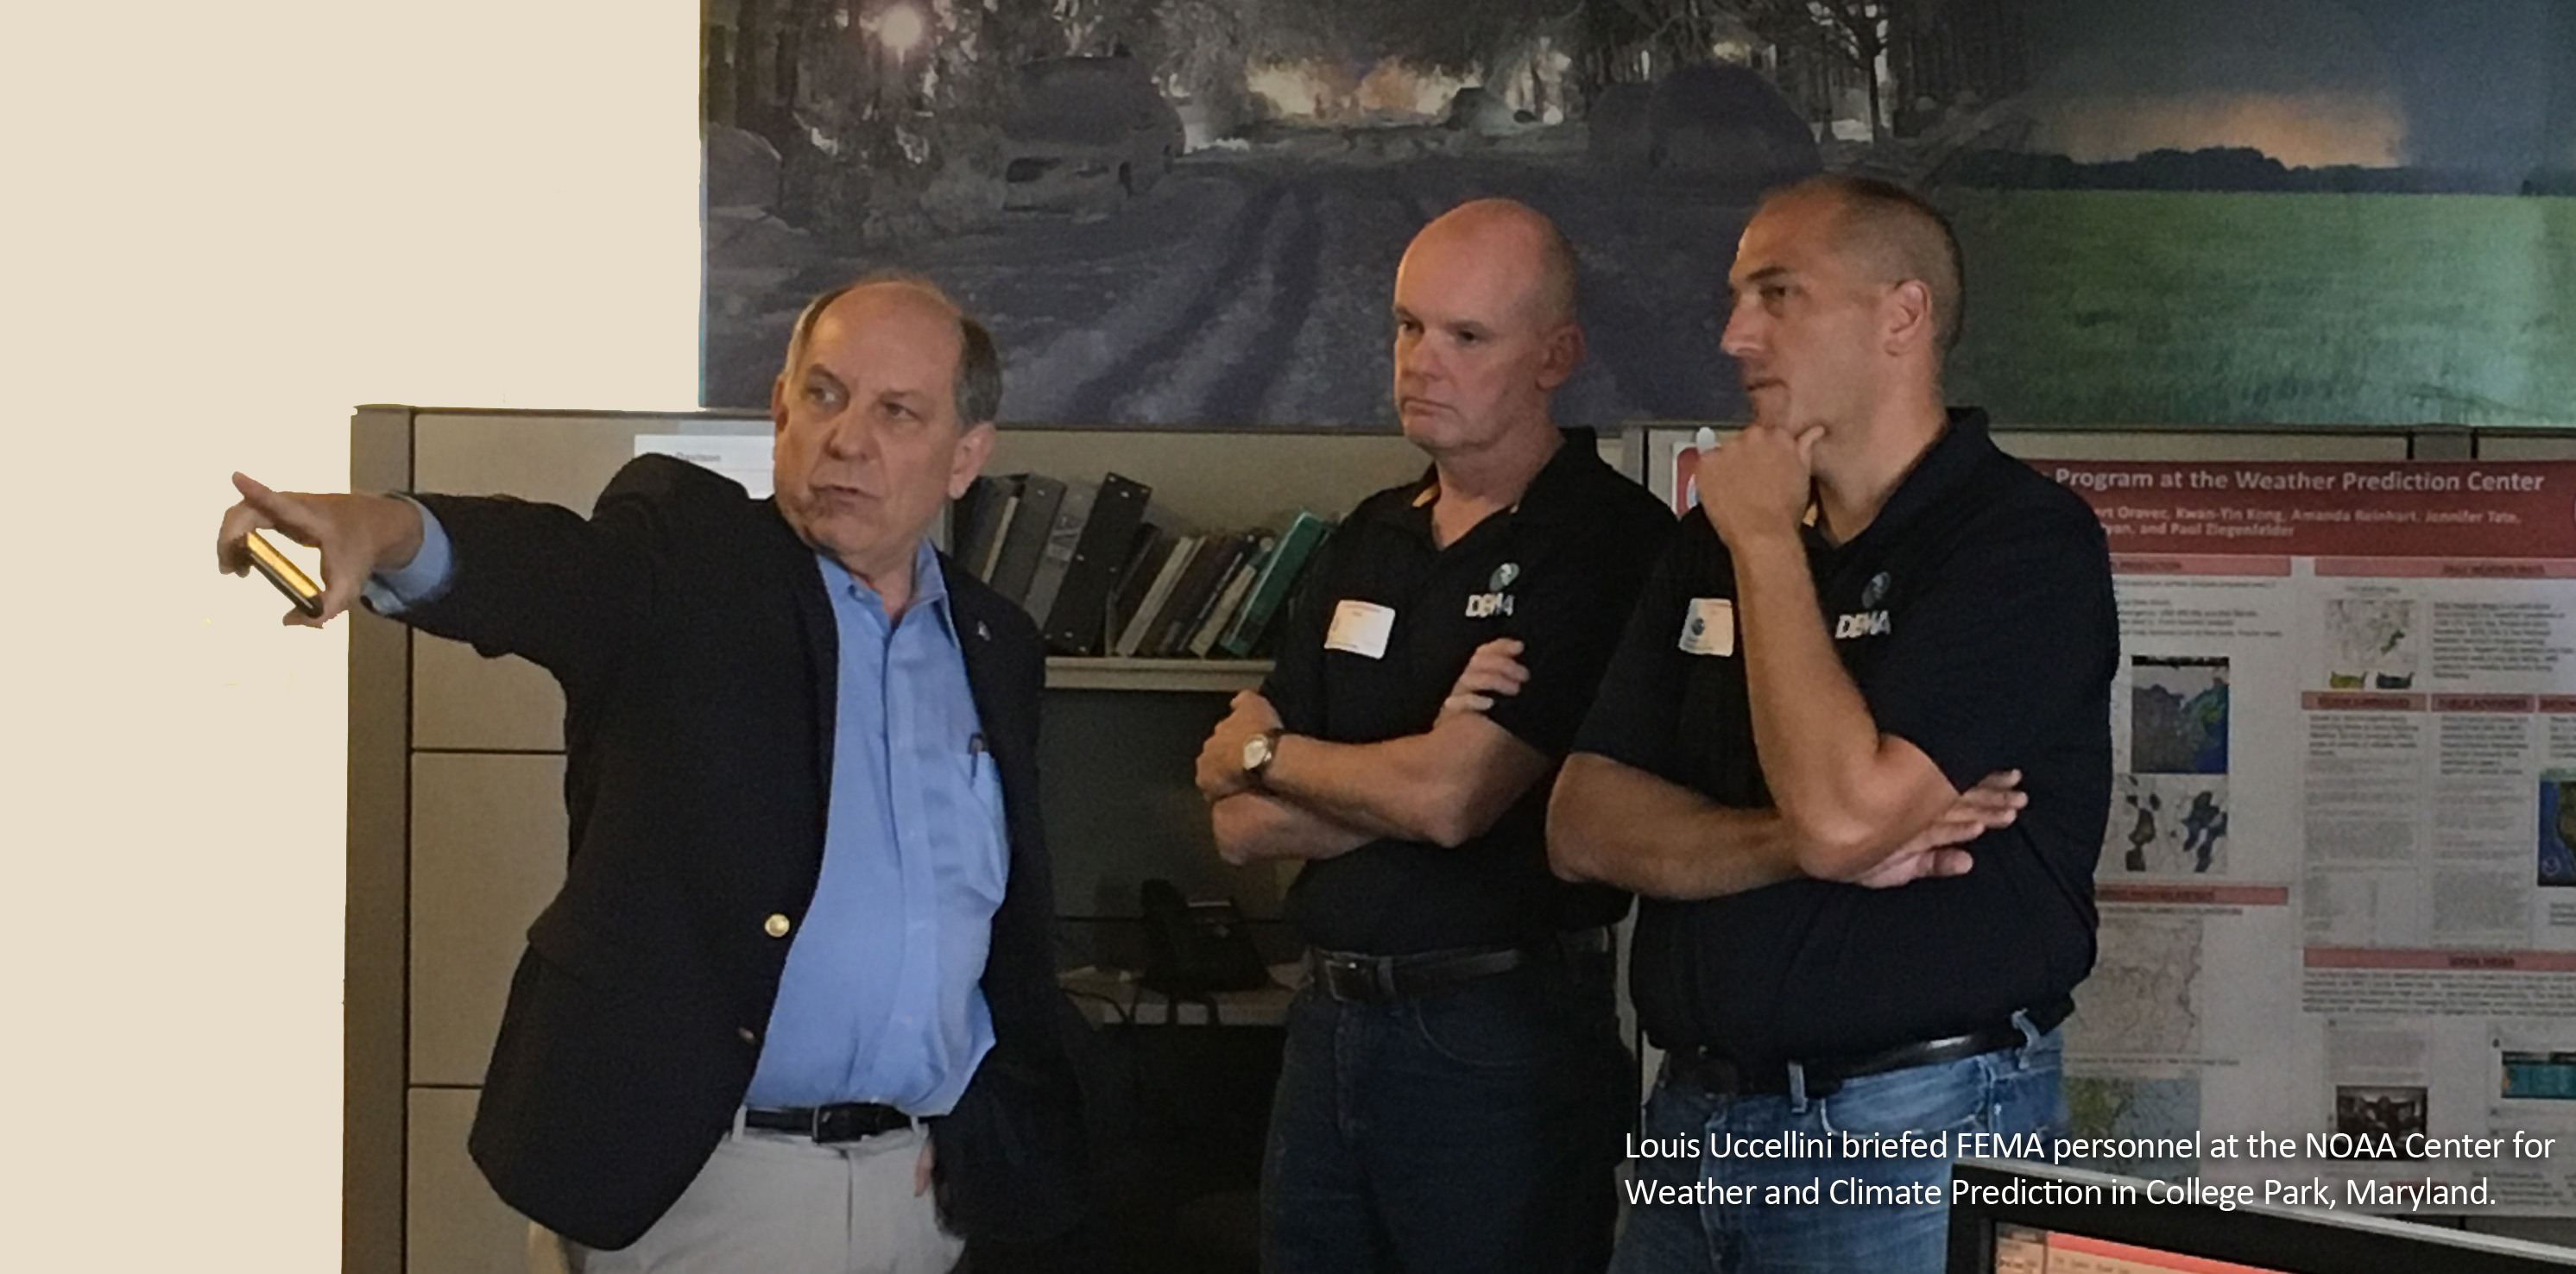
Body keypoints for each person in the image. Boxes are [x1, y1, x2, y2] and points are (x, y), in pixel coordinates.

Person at [214, 277, 1083, 1274]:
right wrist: (390, 529)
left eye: (897, 412)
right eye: (824, 396)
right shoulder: (691, 559)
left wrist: (973, 1120)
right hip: (707, 1184)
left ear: (966, 453)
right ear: (779, 407)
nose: (848, 438)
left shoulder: (995, 643)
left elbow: (991, 927)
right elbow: (557, 572)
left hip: (918, 1196)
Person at [1547, 174, 2118, 1274]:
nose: (1732, 334)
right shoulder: (1709, 541)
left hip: (1912, 1129)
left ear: (1900, 315)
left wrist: (1766, 544)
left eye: (1776, 294)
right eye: (1734, 298)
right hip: (1692, 1121)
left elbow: (1847, 814)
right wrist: (1789, 841)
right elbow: (1581, 825)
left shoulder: (2019, 544)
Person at [1191, 198, 1673, 1274]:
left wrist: (1281, 759)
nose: (1422, 361)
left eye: (1466, 336)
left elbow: (1452, 800)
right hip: (1326, 1018)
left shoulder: (1606, 541)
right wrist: (1404, 778)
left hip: (1496, 1031)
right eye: (1409, 327)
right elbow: (1235, 826)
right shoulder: (1369, 532)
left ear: (1556, 355)